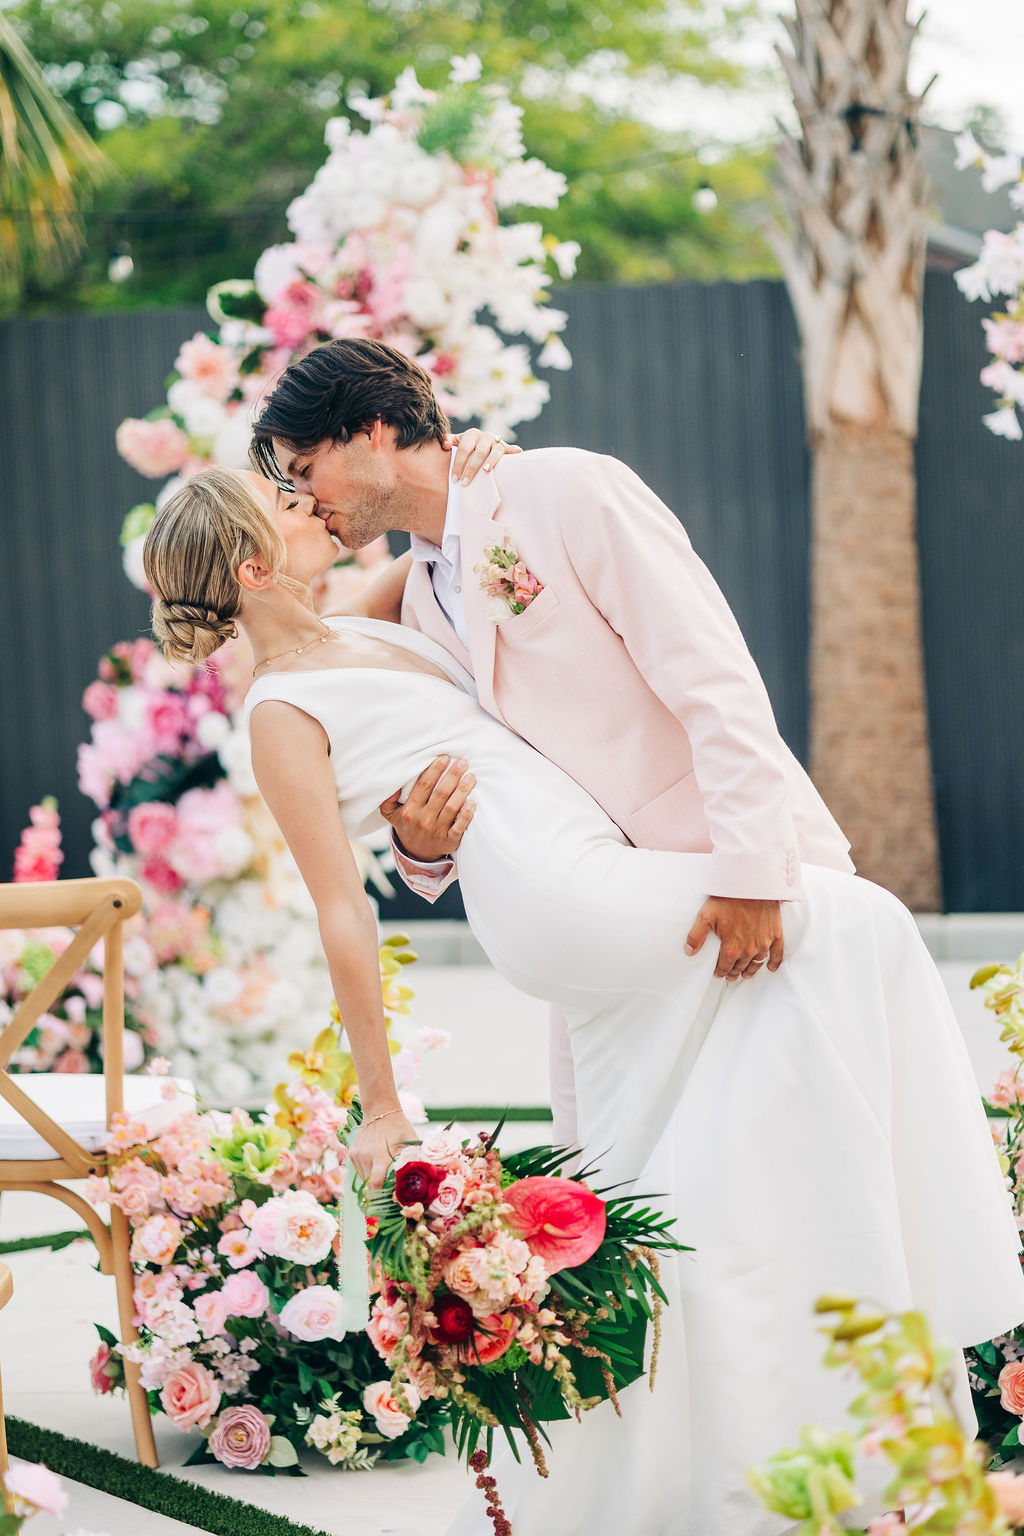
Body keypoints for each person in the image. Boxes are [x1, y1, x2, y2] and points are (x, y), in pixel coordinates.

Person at [142, 464, 1024, 1536]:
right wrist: (381, 1105)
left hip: (582, 854)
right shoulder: (277, 712)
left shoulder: (353, 616)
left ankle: (743, 1396)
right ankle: (937, 1261)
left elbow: (442, 544)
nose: (312, 508)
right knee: (856, 923)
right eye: (286, 507)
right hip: (555, 891)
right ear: (252, 565)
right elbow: (342, 913)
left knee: (734, 1082)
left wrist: (474, 463)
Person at [246, 338, 857, 1154]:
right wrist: (420, 849)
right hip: (610, 934)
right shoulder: (417, 606)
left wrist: (751, 869)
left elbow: (715, 679)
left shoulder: (562, 488)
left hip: (734, 892)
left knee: (807, 1153)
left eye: (305, 466)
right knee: (638, 1198)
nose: (303, 496)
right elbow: (326, 674)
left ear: (375, 429)